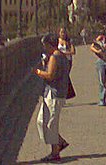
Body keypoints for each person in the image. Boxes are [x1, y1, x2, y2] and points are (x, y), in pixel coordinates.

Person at [33, 33, 71, 162]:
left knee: (51, 124)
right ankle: (59, 142)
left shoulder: (55, 57)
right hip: (55, 92)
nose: (44, 48)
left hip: (55, 93)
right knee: (41, 121)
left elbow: (50, 75)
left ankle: (55, 153)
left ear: (49, 45)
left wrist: (38, 72)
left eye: (45, 45)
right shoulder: (62, 56)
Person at [89, 32, 106, 106]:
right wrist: (98, 51)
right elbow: (92, 47)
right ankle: (102, 100)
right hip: (101, 61)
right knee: (102, 81)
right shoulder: (101, 39)